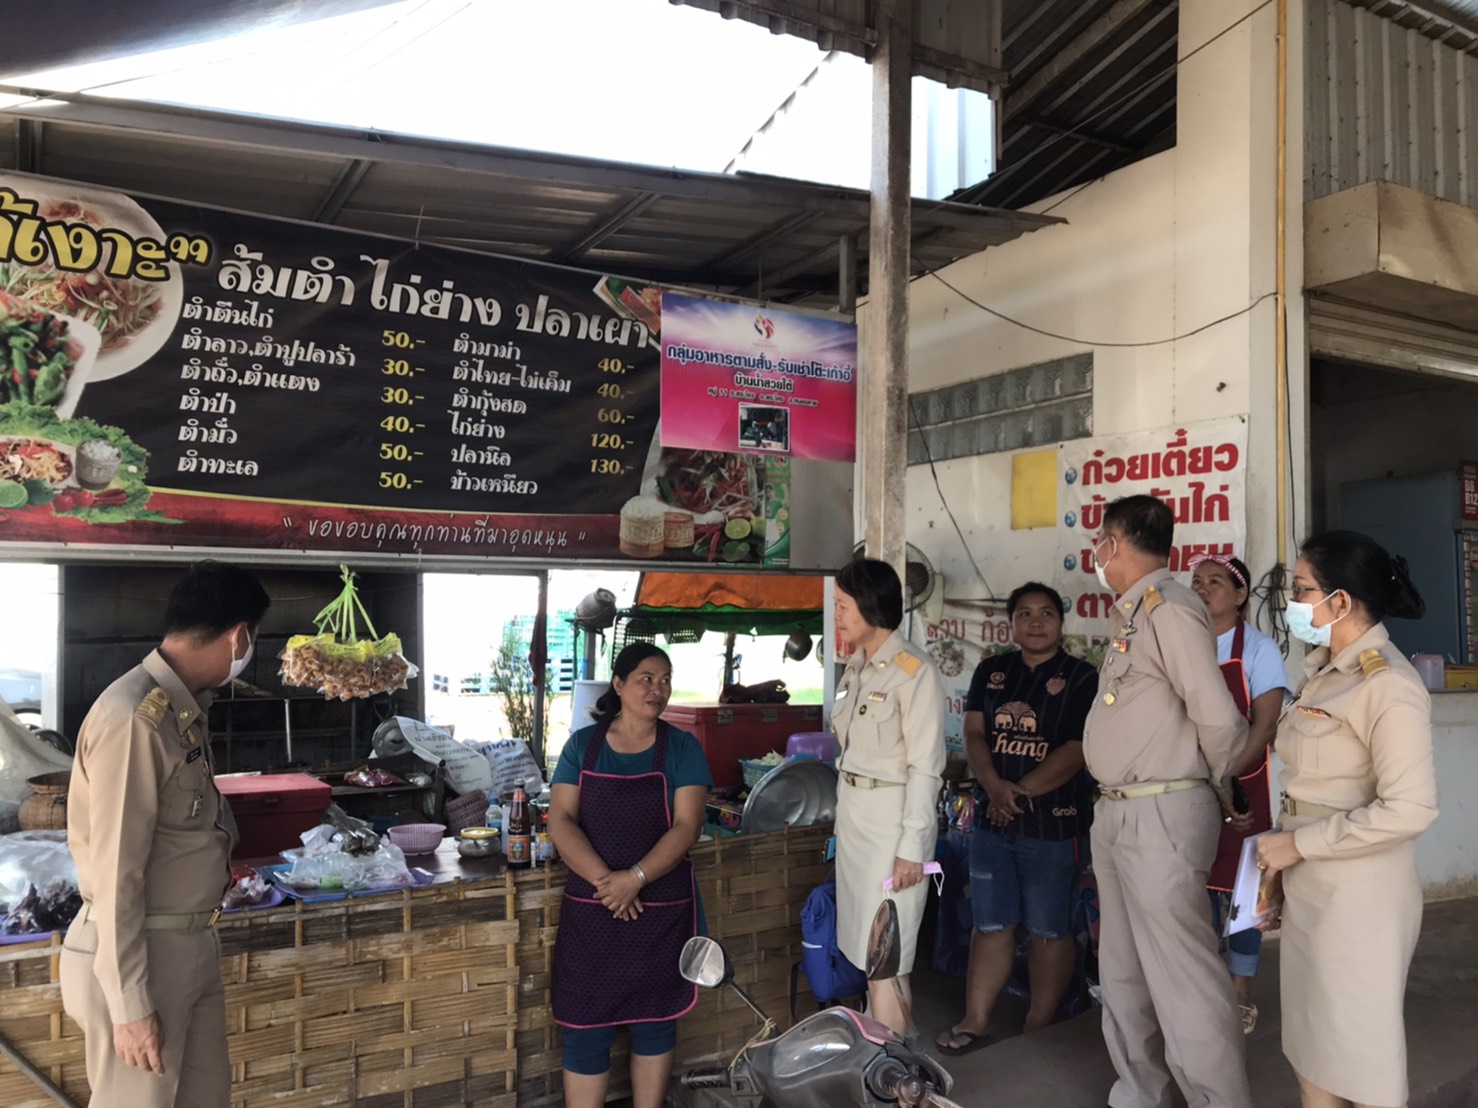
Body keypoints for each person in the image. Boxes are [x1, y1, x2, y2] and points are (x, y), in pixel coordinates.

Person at [61, 560, 269, 1108]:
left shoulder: (182, 712)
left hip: (187, 944)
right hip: (140, 956)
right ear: (239, 635)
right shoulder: (136, 719)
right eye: (254, 639)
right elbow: (114, 873)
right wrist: (130, 1002)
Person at [1255, 531, 1437, 1108]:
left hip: (1360, 897)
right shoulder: (1326, 671)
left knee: (1361, 1055)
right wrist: (1284, 862)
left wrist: (1298, 847)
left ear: (1341, 601)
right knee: (1313, 1044)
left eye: (1303, 590)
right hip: (1312, 879)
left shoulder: (1388, 684)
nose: (1293, 604)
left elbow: (1409, 808)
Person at [1083, 495, 1253, 1108]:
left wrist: (1225, 786)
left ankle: (1218, 1101)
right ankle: (1140, 1094)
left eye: (1100, 541)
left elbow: (1216, 715)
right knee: (1123, 973)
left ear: (1116, 542)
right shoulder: (1130, 614)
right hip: (1119, 811)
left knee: (1183, 978)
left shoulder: (1170, 608)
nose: (1096, 554)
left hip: (1161, 813)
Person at [936, 581, 1097, 1055]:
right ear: (1011, 624)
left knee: (1050, 928)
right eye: (1024, 614)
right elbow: (974, 733)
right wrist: (993, 787)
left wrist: (1020, 792)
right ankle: (977, 1020)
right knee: (992, 924)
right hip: (992, 823)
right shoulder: (992, 672)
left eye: (1045, 613)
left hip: (1054, 825)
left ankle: (1039, 1023)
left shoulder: (1082, 677)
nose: (1035, 622)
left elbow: (1078, 749)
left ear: (1060, 622)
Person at [549, 643, 712, 1108]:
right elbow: (560, 820)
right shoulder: (584, 745)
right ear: (618, 685)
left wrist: (636, 878)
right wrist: (609, 882)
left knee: (655, 1023)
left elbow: (687, 826)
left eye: (665, 679)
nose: (657, 689)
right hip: (594, 910)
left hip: (658, 911)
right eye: (646, 678)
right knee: (585, 1027)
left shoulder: (682, 748)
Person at [831, 558, 946, 1036]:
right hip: (856, 821)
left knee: (887, 953)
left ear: (870, 605)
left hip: (891, 825)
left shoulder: (912, 671)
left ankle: (894, 1072)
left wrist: (912, 849)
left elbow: (926, 768)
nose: (836, 614)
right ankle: (884, 1056)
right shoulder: (856, 667)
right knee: (864, 949)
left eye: (842, 605)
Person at [1190, 553, 1291, 1034]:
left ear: (1240, 595)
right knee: (1194, 894)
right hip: (1188, 782)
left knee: (1243, 898)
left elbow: (1265, 724)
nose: (1203, 588)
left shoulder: (1259, 649)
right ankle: (1202, 993)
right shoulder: (1183, 645)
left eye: (1214, 581)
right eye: (1196, 581)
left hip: (1245, 785)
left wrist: (1230, 777)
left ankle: (1240, 994)